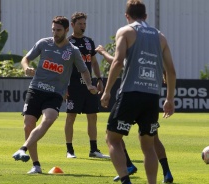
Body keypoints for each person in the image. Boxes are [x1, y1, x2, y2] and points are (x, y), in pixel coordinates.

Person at [100, 1, 176, 184]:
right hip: (152, 96)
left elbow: (118, 62)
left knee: (112, 139)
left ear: (127, 16)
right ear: (146, 17)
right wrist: (170, 99)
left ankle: (126, 181)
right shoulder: (160, 37)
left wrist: (107, 90)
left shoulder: (125, 32)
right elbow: (171, 71)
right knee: (148, 146)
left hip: (130, 93)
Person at [12, 16, 98, 174]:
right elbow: (26, 59)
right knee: (28, 126)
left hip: (55, 93)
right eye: (53, 30)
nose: (55, 33)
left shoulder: (73, 50)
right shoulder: (43, 43)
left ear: (66, 30)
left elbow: (84, 70)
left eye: (58, 30)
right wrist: (26, 68)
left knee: (48, 119)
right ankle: (36, 165)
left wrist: (89, 85)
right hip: (36, 89)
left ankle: (22, 148)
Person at [64, 12, 109, 159]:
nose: (83, 26)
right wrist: (63, 86)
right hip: (73, 85)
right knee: (71, 116)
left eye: (84, 24)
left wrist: (99, 79)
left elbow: (94, 62)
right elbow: (63, 66)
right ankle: (70, 150)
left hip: (89, 85)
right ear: (72, 25)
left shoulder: (89, 42)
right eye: (80, 24)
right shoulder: (67, 42)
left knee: (93, 116)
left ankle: (94, 149)